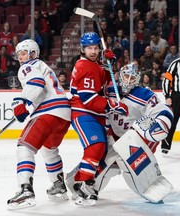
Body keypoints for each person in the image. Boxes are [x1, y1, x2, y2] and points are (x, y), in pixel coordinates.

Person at [66, 63, 174, 202]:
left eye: (132, 78)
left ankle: (149, 182)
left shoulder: (144, 94)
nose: (128, 81)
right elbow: (90, 94)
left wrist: (161, 122)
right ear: (120, 76)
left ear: (137, 80)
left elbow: (162, 109)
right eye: (126, 76)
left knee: (125, 159)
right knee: (105, 163)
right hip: (116, 138)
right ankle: (79, 183)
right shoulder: (109, 89)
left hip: (138, 139)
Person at [7, 39, 71, 210]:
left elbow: (36, 82)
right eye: (18, 54)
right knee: (49, 150)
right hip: (64, 114)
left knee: (24, 147)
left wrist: (20, 101)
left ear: (33, 54)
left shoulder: (29, 66)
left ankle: (25, 190)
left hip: (48, 112)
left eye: (23, 53)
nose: (20, 58)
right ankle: (58, 187)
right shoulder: (43, 66)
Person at [69, 32, 128, 206]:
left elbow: (104, 80)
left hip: (95, 115)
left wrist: (110, 65)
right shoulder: (85, 66)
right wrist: (113, 105)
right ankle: (83, 185)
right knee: (96, 146)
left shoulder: (94, 65)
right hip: (83, 112)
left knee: (101, 149)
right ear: (82, 49)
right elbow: (88, 99)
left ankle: (82, 182)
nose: (93, 51)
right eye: (89, 48)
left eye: (96, 48)